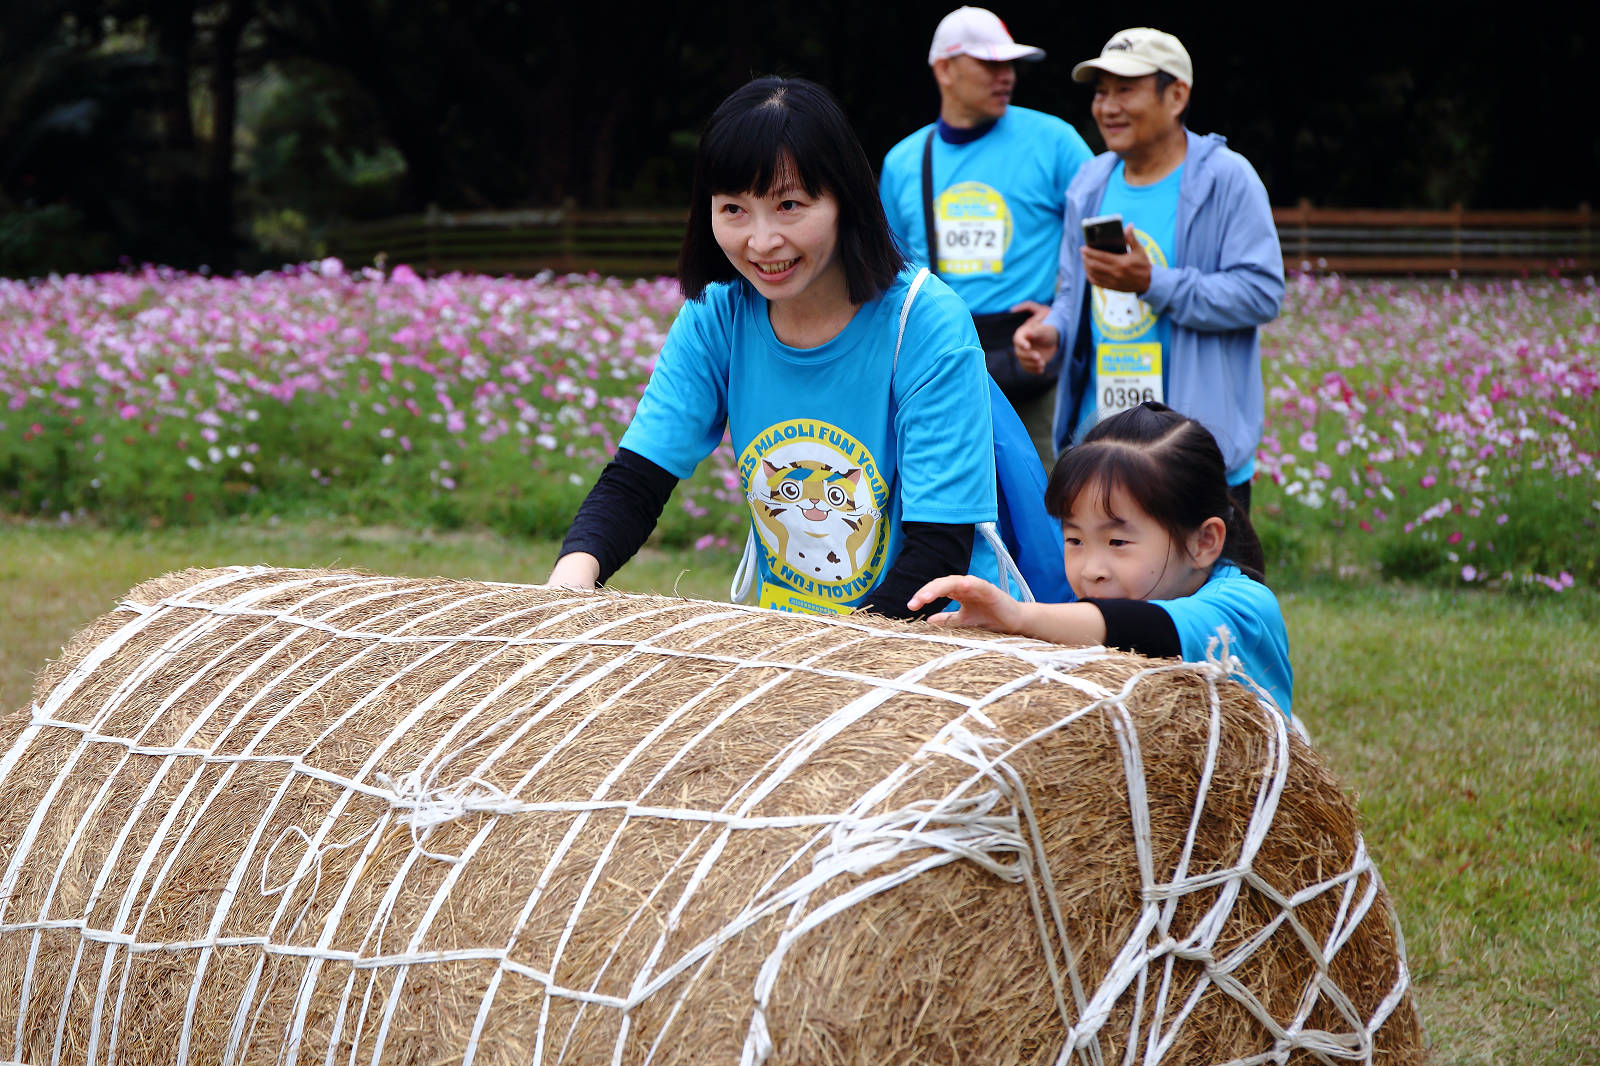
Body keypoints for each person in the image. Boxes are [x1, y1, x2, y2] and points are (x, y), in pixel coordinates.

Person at [547, 75, 1011, 619]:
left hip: (928, 636)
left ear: (845, 200)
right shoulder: (716, 316)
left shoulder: (925, 321)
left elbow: (937, 551)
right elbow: (638, 480)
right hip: (791, 640)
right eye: (734, 209)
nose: (762, 242)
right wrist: (567, 587)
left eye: (789, 205)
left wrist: (823, 662)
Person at [1013, 27, 1284, 512]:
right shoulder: (1090, 182)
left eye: (1126, 89)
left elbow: (1260, 293)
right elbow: (1076, 291)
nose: (1108, 106)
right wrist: (1053, 330)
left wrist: (1152, 283)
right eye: (1100, 92)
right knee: (1108, 588)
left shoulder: (1227, 179)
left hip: (1196, 449)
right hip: (1107, 444)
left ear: (1176, 94)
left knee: (1207, 587)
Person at [908, 402, 1293, 716]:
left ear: (1204, 541)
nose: (1091, 570)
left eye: (1118, 542)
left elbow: (1153, 629)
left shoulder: (1244, 609)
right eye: (1074, 539)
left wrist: (1021, 617)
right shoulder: (1093, 613)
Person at [879, 6, 1093, 467]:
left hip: (1035, 361)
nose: (1007, 77)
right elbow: (892, 273)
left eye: (1010, 64)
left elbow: (1100, 246)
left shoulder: (1057, 142)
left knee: (1052, 503)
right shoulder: (903, 162)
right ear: (945, 69)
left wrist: (1061, 315)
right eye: (990, 64)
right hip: (942, 360)